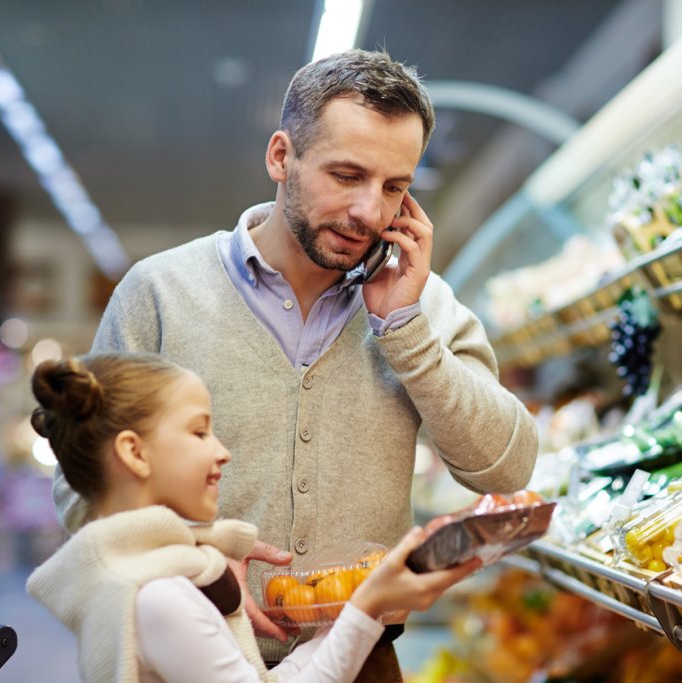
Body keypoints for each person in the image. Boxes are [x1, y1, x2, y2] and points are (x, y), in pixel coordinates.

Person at [53, 48, 538, 676]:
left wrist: (403, 330)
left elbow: (507, 468)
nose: (370, 212)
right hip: (188, 658)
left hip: (363, 664)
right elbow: (79, 484)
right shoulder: (160, 293)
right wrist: (188, 559)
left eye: (395, 188)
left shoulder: (424, 305)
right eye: (346, 175)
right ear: (282, 156)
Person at [27, 353, 482, 683]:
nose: (221, 451)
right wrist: (366, 608)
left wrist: (367, 605)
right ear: (134, 452)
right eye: (199, 431)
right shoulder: (158, 596)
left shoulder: (152, 575)